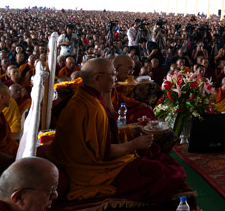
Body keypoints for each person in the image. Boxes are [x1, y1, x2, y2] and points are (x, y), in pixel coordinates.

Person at [47, 58, 186, 202]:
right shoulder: (90, 107)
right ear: (97, 78)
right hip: (88, 171)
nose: (115, 79)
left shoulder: (87, 98)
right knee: (166, 172)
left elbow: (100, 137)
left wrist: (129, 132)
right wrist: (135, 144)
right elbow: (104, 153)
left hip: (86, 161)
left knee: (155, 154)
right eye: (112, 74)